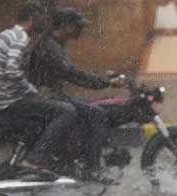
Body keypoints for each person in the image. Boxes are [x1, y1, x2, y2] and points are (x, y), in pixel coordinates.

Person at [27, 7, 124, 182]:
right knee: (97, 113)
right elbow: (70, 73)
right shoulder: (50, 46)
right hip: (46, 97)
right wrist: (103, 82)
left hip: (51, 95)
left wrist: (101, 78)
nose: (80, 30)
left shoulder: (53, 44)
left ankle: (76, 159)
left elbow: (70, 72)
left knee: (92, 109)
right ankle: (91, 168)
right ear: (65, 26)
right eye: (77, 25)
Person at [0, 1, 77, 179]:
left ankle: (39, 159)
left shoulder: (6, 34)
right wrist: (31, 90)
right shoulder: (21, 37)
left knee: (46, 113)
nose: (46, 23)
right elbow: (11, 69)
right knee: (67, 111)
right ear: (33, 17)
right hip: (10, 100)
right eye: (44, 18)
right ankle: (34, 160)